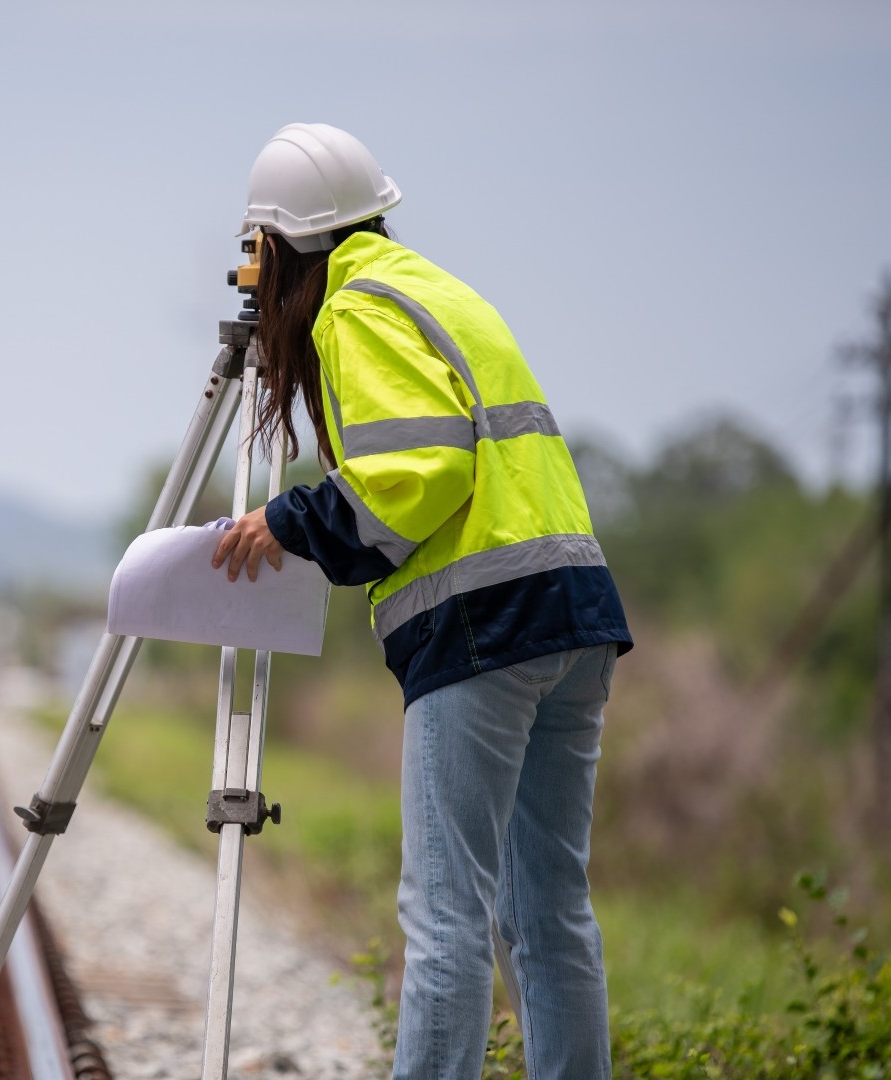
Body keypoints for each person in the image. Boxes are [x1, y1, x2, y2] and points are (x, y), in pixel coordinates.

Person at [211, 124, 632, 1079]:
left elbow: (417, 470)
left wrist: (292, 521)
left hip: (483, 622)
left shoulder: (354, 310)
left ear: (278, 246)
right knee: (548, 915)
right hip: (573, 611)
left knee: (447, 920)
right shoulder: (440, 289)